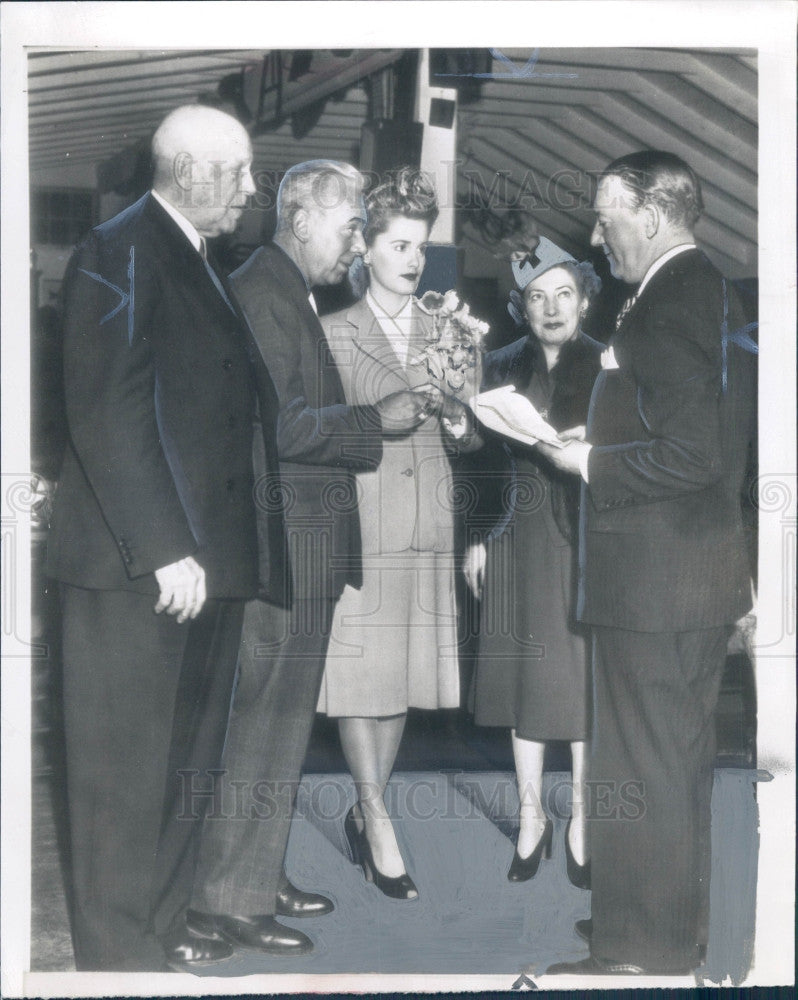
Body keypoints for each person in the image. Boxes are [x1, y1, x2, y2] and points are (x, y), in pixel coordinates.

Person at [46, 104, 271, 971]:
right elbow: (108, 407)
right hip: (138, 568)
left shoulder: (197, 258)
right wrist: (166, 545)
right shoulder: (120, 249)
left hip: (199, 569)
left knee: (182, 771)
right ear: (190, 172)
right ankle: (117, 961)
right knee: (120, 782)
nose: (252, 190)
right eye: (242, 172)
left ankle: (163, 927)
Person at [188, 161, 432, 952]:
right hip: (281, 547)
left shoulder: (286, 287)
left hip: (303, 545)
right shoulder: (265, 289)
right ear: (302, 219)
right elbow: (287, 426)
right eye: (350, 225)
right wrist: (378, 421)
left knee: (282, 727)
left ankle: (257, 874)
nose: (357, 241)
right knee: (259, 728)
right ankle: (228, 897)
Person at [542, 151, 756, 976]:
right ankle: (666, 928)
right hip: (692, 575)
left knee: (642, 761)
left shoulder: (668, 302)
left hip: (658, 580)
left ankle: (640, 947)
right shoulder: (711, 290)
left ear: (655, 215)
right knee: (671, 760)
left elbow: (691, 455)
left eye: (606, 217)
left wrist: (588, 462)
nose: (595, 237)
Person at [317, 166, 463, 899]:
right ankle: (376, 819)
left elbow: (470, 444)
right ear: (365, 249)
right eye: (399, 245)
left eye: (421, 246)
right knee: (356, 681)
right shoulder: (331, 332)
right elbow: (317, 432)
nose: (412, 260)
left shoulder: (449, 329)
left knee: (400, 678)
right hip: (363, 523)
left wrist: (464, 415)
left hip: (429, 522)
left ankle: (366, 808)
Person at [464, 237, 602, 886]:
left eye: (563, 295)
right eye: (536, 297)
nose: (551, 309)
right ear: (520, 306)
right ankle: (530, 818)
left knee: (579, 685)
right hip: (516, 537)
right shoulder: (497, 365)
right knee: (523, 683)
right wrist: (479, 535)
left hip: (583, 536)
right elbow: (474, 468)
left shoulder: (609, 366)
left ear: (584, 299)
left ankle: (581, 819)